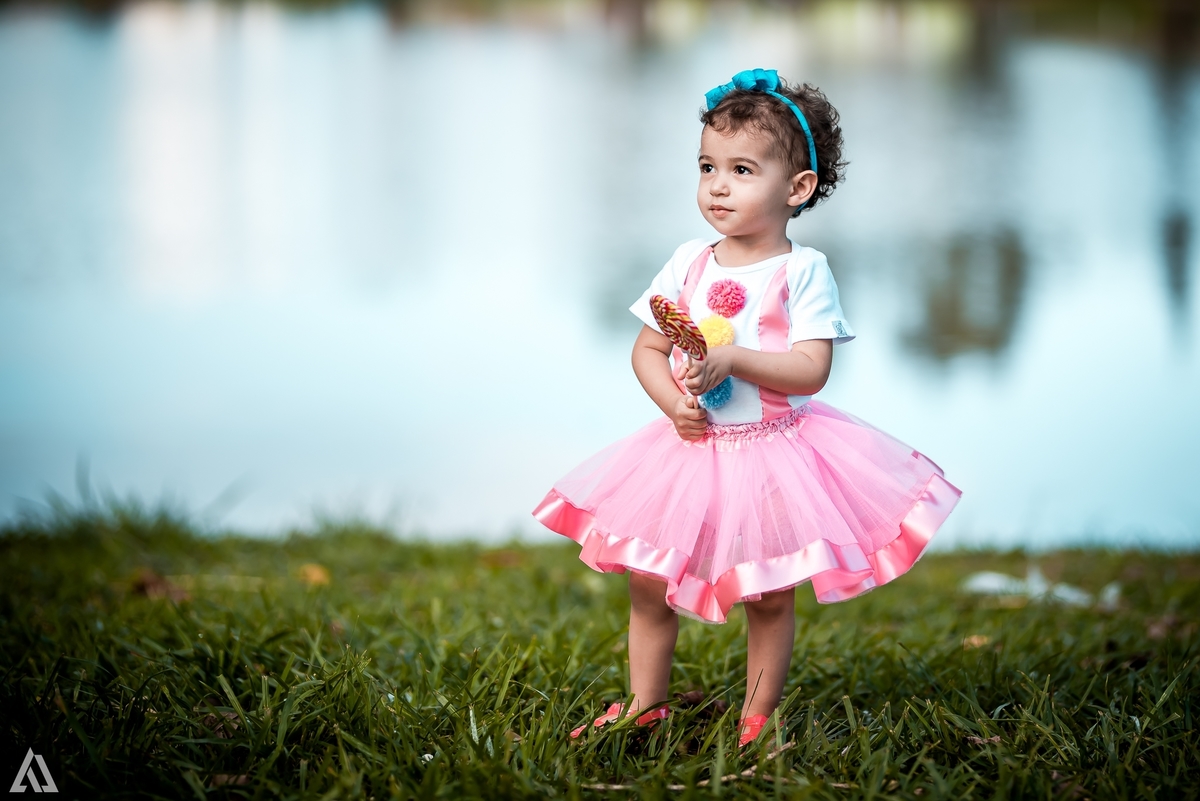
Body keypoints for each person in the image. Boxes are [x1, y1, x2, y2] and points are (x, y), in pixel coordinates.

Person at [533, 69, 961, 748]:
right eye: (707, 166)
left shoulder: (801, 272)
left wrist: (734, 359)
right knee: (649, 578)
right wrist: (674, 401)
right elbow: (647, 349)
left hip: (773, 450)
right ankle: (647, 702)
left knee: (766, 591)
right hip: (689, 451)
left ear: (796, 189)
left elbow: (810, 370)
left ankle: (756, 719)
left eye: (740, 169)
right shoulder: (688, 265)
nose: (718, 185)